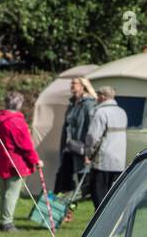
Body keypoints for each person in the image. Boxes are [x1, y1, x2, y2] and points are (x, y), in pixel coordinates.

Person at [0, 91, 40, 232]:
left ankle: (4, 220)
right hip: (14, 161)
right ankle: (7, 222)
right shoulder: (16, 122)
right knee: (11, 193)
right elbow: (25, 145)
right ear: (19, 104)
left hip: (1, 160)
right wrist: (35, 160)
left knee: (4, 192)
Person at [54, 77, 96, 221]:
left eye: (74, 83)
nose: (72, 85)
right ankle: (65, 212)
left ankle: (70, 210)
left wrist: (89, 151)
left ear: (83, 86)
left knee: (80, 186)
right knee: (64, 181)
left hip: (81, 150)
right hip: (69, 148)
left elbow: (91, 129)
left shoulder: (88, 104)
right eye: (71, 83)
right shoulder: (72, 103)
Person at [85, 85, 127, 210]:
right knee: (113, 193)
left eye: (98, 96)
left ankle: (100, 218)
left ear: (103, 97)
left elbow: (93, 136)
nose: (96, 98)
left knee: (99, 192)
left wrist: (88, 153)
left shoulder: (101, 112)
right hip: (119, 160)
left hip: (103, 159)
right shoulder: (122, 112)